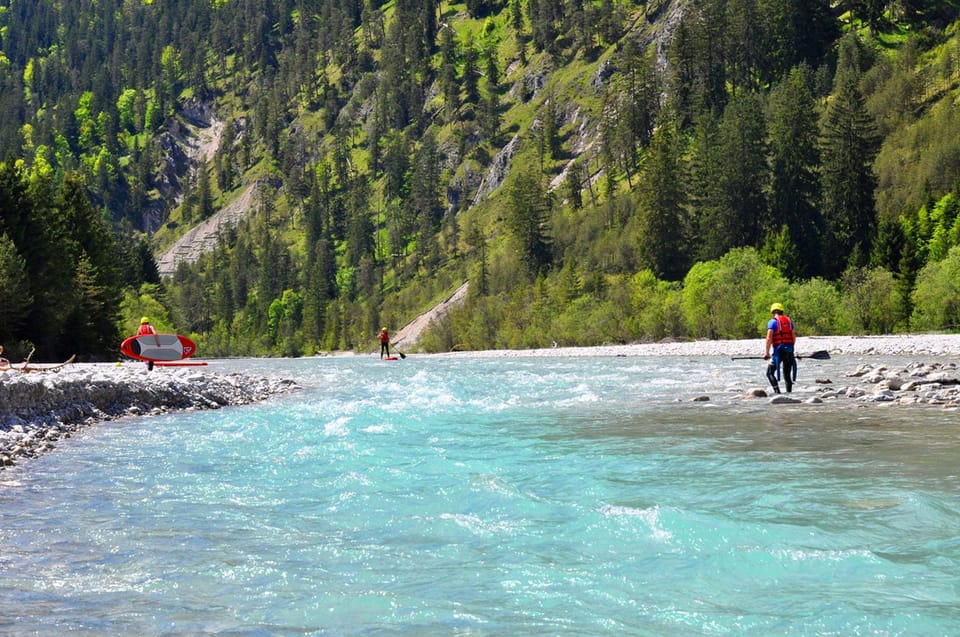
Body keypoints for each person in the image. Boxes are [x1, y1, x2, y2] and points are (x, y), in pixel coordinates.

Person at [764, 302, 796, 394]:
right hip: (789, 350)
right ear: (782, 311)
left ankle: (777, 392)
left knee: (769, 373)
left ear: (772, 312)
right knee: (787, 375)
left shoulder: (772, 322)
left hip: (778, 352)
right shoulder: (789, 321)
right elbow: (793, 336)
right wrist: (791, 349)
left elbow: (769, 337)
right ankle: (789, 393)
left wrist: (767, 353)